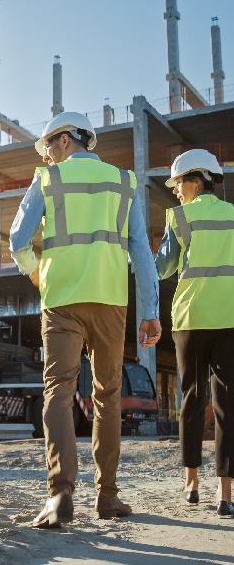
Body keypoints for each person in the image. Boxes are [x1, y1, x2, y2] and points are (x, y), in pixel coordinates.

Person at [9, 112, 161, 528]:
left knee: (57, 392)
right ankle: (107, 497)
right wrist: (150, 311)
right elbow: (141, 252)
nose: (48, 157)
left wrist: (36, 272)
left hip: (61, 299)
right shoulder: (124, 182)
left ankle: (60, 495)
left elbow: (17, 239)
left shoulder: (47, 180)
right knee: (107, 396)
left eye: (47, 149)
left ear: (62, 141)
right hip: (111, 300)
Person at [156, 149, 234, 518]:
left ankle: (191, 484)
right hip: (229, 318)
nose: (175, 191)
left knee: (191, 397)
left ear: (196, 181)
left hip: (189, 318)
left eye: (178, 183)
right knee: (227, 404)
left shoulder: (180, 218)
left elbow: (164, 267)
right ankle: (226, 494)